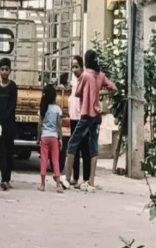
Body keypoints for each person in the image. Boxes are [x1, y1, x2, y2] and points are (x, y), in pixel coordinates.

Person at [63, 50, 116, 192]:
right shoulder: (101, 76)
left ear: (86, 62)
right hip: (97, 116)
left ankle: (67, 178)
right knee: (93, 148)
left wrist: (88, 92)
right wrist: (99, 92)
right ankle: (91, 182)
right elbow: (113, 88)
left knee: (72, 143)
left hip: (86, 114)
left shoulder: (85, 75)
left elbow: (77, 93)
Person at [65, 57, 91, 187]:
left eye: (77, 66)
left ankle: (86, 179)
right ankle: (75, 177)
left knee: (85, 148)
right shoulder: (74, 81)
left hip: (83, 118)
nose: (74, 69)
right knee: (74, 148)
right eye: (73, 67)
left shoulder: (85, 79)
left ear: (82, 67)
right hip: (74, 118)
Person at [0, 57, 18, 191]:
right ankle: (3, 180)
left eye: (6, 69)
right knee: (2, 152)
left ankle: (7, 178)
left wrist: (4, 118)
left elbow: (12, 106)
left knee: (9, 153)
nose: (4, 72)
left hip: (9, 125)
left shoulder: (12, 86)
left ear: (10, 71)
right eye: (2, 69)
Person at [38, 84, 63, 193]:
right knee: (55, 161)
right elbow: (59, 126)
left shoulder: (43, 108)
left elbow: (39, 125)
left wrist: (38, 137)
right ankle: (58, 185)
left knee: (44, 160)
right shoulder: (57, 109)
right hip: (54, 137)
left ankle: (42, 185)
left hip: (44, 136)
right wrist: (60, 138)